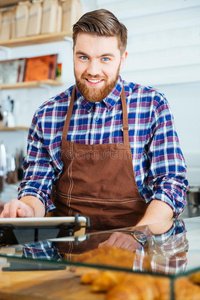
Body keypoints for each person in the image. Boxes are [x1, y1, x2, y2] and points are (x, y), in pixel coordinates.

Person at [0, 9, 188, 251]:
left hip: (136, 251)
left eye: (105, 58)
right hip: (68, 255)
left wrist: (138, 234)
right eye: (84, 57)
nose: (93, 70)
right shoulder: (47, 114)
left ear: (123, 58)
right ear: (73, 55)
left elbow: (171, 184)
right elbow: (36, 186)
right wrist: (26, 209)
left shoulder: (152, 105)